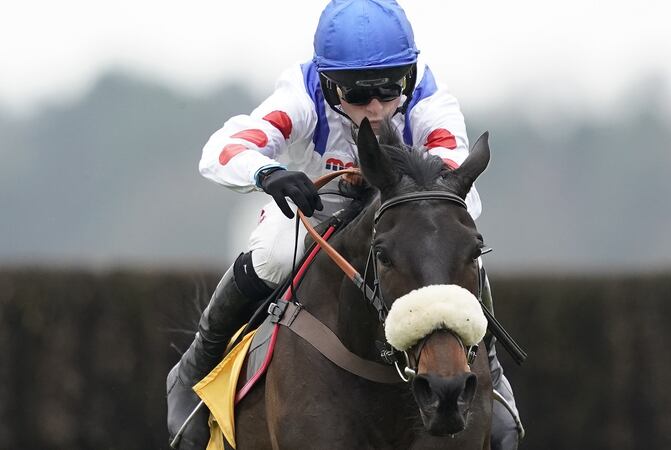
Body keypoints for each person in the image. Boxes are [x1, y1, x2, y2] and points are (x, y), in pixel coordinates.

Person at [166, 1, 521, 448]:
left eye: (389, 90)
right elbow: (224, 147)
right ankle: (194, 368)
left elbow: (451, 167)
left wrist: (392, 178)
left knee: (462, 254)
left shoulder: (430, 96)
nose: (375, 107)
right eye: (357, 94)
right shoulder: (300, 95)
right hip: (314, 203)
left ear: (408, 77)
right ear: (330, 84)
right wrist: (269, 173)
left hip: (403, 205)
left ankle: (496, 380)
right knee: (274, 255)